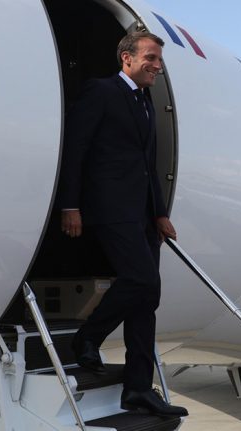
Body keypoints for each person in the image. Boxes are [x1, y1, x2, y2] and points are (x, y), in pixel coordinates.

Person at [57, 32, 188, 417]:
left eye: (159, 60)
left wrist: (160, 213)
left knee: (147, 299)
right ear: (126, 58)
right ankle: (87, 337)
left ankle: (138, 389)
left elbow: (149, 166)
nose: (157, 66)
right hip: (110, 207)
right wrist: (70, 205)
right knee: (141, 280)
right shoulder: (101, 92)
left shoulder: (145, 101)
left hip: (143, 214)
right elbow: (75, 149)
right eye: (151, 57)